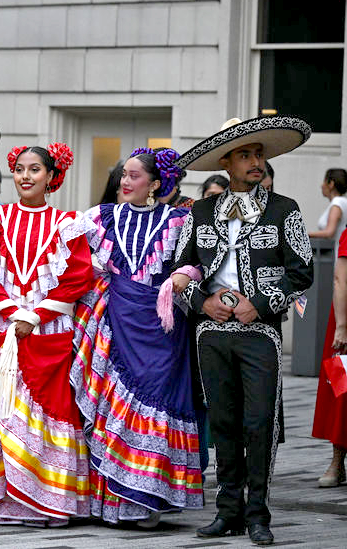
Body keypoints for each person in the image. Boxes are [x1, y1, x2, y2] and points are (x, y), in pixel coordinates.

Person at [172, 116, 314, 545]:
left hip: (261, 332)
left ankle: (258, 514)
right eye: (246, 155)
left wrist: (264, 303)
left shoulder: (284, 208)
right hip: (211, 332)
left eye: (259, 155)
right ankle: (227, 510)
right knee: (224, 421)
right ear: (227, 163)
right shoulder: (201, 210)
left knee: (259, 422)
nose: (256, 162)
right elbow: (178, 271)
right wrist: (202, 301)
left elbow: (302, 272)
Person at [0, 142, 94, 526]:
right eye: (21, 169)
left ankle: (42, 498)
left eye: (35, 170)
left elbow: (75, 278)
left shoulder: (67, 224)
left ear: (51, 176)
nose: (25, 177)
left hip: (48, 332)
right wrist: (14, 314)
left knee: (47, 406)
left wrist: (35, 316)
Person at [71, 147, 203, 527]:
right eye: (123, 174)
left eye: (133, 176)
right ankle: (108, 502)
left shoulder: (180, 221)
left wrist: (186, 275)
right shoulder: (100, 218)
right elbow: (71, 256)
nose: (124, 181)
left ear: (156, 184)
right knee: (112, 407)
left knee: (157, 403)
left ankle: (148, 499)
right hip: (115, 323)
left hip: (160, 329)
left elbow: (198, 260)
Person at [313, 170, 347, 488]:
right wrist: (343, 326)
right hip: (346, 322)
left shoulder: (339, 205)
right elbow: (341, 278)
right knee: (342, 392)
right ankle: (337, 462)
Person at [308, 168, 347, 244]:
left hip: (335, 253)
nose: (321, 185)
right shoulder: (343, 202)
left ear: (331, 184)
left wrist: (306, 234)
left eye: (324, 181)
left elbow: (329, 232)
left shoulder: (337, 202)